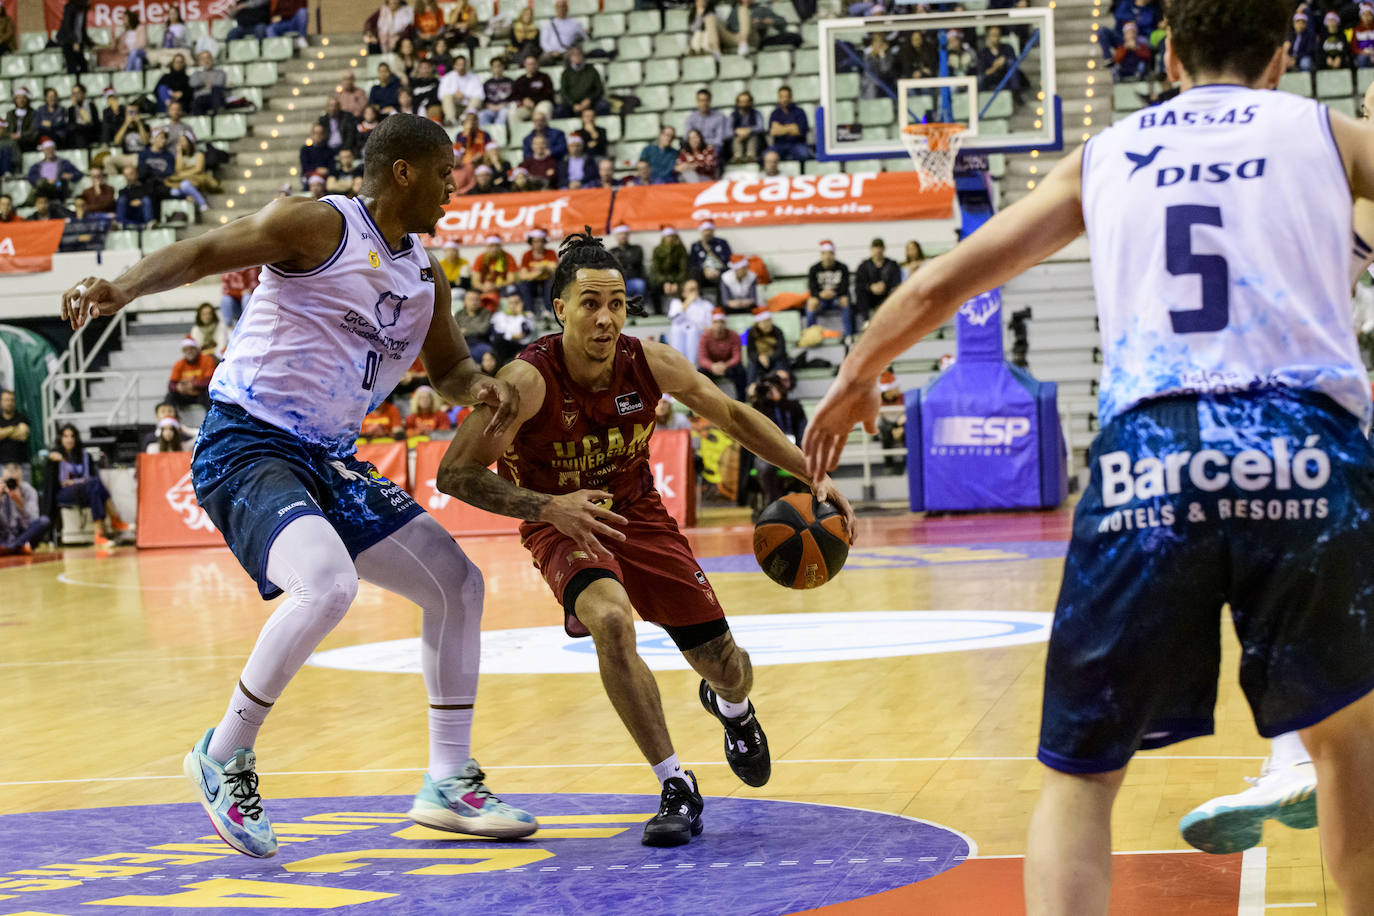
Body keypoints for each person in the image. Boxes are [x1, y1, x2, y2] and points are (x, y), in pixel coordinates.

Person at [801, 2, 1374, 911]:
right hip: (1300, 443)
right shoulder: (1328, 132)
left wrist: (858, 373)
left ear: (1171, 54)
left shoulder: (1106, 153)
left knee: (1082, 776)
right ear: (1283, 54)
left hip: (1151, 452)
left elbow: (938, 282)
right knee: (1350, 743)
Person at [62, 112, 538, 859]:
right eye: (446, 170)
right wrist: (122, 287)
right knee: (325, 584)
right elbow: (202, 250)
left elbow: (447, 369)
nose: (456, 183)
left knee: (458, 583)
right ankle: (223, 754)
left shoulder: (425, 277)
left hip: (327, 456)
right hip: (247, 441)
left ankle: (448, 781)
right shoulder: (317, 226)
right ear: (404, 171)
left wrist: (481, 387)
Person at [434, 228, 854, 846]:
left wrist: (809, 472)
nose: (605, 319)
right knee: (610, 620)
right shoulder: (527, 382)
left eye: (617, 304)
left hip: (641, 517)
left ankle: (732, 708)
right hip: (563, 525)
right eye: (590, 304)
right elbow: (455, 474)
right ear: (560, 309)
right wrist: (549, 507)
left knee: (727, 667)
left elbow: (733, 416)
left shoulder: (650, 362)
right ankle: (674, 782)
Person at [48, 424, 128, 541]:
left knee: (94, 486)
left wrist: (74, 481)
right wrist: (58, 459)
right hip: (64, 492)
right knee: (94, 483)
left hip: (85, 488)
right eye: (66, 436)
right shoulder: (56, 454)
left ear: (76, 438)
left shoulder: (84, 454)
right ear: (61, 438)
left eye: (72, 436)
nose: (69, 439)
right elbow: (63, 482)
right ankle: (114, 519)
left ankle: (99, 534)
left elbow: (86, 476)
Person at [805, 240, 852, 338]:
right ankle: (810, 334)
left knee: (845, 300)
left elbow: (845, 286)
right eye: (825, 254)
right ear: (821, 255)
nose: (827, 257)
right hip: (821, 300)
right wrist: (821, 294)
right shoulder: (814, 269)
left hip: (836, 298)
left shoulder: (843, 267)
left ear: (834, 254)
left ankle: (848, 335)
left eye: (830, 254)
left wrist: (834, 293)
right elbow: (812, 288)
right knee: (811, 302)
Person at [697, 308, 747, 399]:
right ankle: (703, 400)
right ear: (712, 323)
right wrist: (712, 366)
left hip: (728, 367)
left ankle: (742, 400)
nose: (719, 325)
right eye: (716, 322)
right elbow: (702, 358)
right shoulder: (704, 337)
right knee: (700, 372)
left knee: (741, 371)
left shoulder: (734, 335)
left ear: (725, 324)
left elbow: (737, 357)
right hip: (711, 367)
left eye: (721, 322)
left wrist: (725, 365)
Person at [0, 460, 49, 554]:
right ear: (3, 478)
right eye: (8, 481)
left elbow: (33, 521)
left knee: (44, 521)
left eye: (14, 481)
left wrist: (20, 504)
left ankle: (11, 547)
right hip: (3, 534)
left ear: (21, 478)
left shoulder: (29, 491)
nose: (11, 484)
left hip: (23, 533)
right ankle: (18, 547)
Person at [854, 237, 901, 331]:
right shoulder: (864, 265)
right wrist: (870, 287)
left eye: (880, 248)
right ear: (871, 249)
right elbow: (859, 283)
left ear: (884, 249)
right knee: (860, 291)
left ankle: (893, 323)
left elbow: (896, 281)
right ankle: (866, 321)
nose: (878, 250)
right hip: (869, 297)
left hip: (886, 295)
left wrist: (886, 286)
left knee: (896, 291)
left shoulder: (892, 264)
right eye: (876, 248)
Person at [667, 277, 713, 362]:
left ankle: (692, 365)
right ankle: (678, 362)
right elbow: (674, 320)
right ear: (683, 291)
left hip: (699, 335)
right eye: (691, 290)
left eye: (695, 289)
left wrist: (697, 328)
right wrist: (687, 302)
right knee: (676, 329)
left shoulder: (706, 305)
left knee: (692, 331)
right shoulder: (676, 303)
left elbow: (711, 326)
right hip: (680, 337)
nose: (694, 292)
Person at [556, 45, 608, 118]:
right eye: (574, 55)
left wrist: (589, 100)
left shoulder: (592, 70)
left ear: (583, 56)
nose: (577, 57)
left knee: (603, 106)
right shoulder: (566, 73)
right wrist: (573, 104)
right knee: (560, 110)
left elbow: (599, 89)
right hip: (573, 104)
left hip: (590, 102)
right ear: (570, 58)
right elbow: (564, 92)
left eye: (579, 54)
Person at [516, 228, 557, 317]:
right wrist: (537, 273)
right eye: (535, 241)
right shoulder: (526, 255)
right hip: (533, 284)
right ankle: (529, 310)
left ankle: (548, 310)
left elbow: (555, 268)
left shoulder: (550, 253)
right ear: (531, 243)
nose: (538, 244)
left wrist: (544, 268)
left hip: (546, 283)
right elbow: (522, 275)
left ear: (544, 242)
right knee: (524, 284)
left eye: (540, 241)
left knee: (551, 281)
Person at [167, 337, 217, 408]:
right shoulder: (179, 364)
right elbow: (171, 384)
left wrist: (194, 384)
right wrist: (178, 387)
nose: (189, 351)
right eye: (186, 350)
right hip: (186, 394)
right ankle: (169, 417)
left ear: (197, 349)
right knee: (170, 396)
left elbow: (210, 381)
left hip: (201, 393)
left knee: (209, 395)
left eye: (191, 348)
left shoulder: (207, 360)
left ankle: (212, 417)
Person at [745, 307, 787, 383]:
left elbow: (781, 351)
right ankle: (751, 388)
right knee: (752, 363)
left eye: (769, 321)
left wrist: (768, 358)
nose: (768, 324)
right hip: (759, 360)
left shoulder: (777, 331)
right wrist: (759, 357)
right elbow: (750, 352)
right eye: (764, 322)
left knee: (781, 363)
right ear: (758, 323)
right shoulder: (751, 332)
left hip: (774, 358)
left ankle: (782, 386)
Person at [767, 85, 809, 162]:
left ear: (791, 98)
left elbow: (800, 131)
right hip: (779, 145)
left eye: (786, 96)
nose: (784, 99)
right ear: (778, 98)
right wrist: (791, 127)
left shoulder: (799, 112)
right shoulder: (775, 113)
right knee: (767, 156)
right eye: (782, 97)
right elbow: (773, 132)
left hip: (797, 143)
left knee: (804, 154)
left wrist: (781, 128)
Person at [651, 227, 688, 313]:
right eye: (668, 237)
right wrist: (665, 282)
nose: (670, 239)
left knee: (685, 287)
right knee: (653, 288)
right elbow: (656, 271)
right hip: (663, 280)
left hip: (678, 279)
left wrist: (676, 283)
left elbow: (683, 269)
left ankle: (684, 310)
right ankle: (658, 312)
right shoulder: (657, 250)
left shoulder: (681, 249)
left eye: (672, 236)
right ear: (663, 238)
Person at [539, 0, 587, 66]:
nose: (561, 9)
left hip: (568, 51)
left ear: (567, 8)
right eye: (559, 7)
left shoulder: (576, 23)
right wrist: (551, 51)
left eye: (563, 6)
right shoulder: (548, 24)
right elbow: (543, 42)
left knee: (573, 57)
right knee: (543, 59)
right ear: (555, 9)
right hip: (551, 52)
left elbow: (584, 38)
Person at [511, 54, 556, 123]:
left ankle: (544, 133)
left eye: (533, 64)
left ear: (537, 65)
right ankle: (518, 133)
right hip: (525, 106)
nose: (531, 66)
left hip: (541, 103)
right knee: (512, 114)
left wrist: (534, 101)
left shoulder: (544, 77)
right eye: (529, 64)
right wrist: (523, 100)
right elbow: (515, 94)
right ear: (525, 65)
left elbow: (549, 93)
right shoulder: (520, 80)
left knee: (544, 110)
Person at [689, 221, 732, 289]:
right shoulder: (696, 245)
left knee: (728, 274)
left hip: (719, 272)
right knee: (693, 273)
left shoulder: (722, 243)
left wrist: (719, 271)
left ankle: (723, 299)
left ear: (713, 231)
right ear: (702, 231)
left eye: (710, 230)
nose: (708, 233)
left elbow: (729, 259)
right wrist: (704, 270)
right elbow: (693, 263)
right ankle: (697, 298)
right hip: (702, 274)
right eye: (706, 230)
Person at [727, 91, 766, 165]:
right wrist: (736, 131)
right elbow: (727, 131)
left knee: (753, 136)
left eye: (746, 101)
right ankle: (737, 157)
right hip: (738, 139)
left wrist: (748, 131)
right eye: (741, 102)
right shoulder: (733, 115)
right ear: (737, 103)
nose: (744, 104)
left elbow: (761, 127)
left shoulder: (756, 114)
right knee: (736, 138)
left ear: (751, 102)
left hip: (753, 140)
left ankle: (751, 157)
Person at [610, 224, 646, 300]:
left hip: (634, 279)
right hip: (618, 280)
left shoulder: (637, 248)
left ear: (628, 235)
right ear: (616, 236)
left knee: (640, 285)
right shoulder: (612, 251)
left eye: (625, 234)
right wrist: (628, 262)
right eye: (620, 234)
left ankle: (637, 308)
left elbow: (636, 261)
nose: (623, 236)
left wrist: (621, 261)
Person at [116, 163, 155, 227]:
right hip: (129, 214)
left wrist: (138, 201)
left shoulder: (146, 187)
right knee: (121, 200)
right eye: (126, 175)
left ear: (137, 174)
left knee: (146, 200)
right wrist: (136, 201)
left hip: (142, 214)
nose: (128, 177)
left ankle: (149, 224)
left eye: (131, 174)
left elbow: (151, 199)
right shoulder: (122, 191)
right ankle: (120, 224)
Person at [0, 390, 30, 470]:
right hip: (1, 465)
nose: (9, 403)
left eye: (12, 400)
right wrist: (13, 428)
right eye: (6, 400)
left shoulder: (22, 417)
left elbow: (23, 435)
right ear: (1, 401)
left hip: (21, 465)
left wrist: (4, 432)